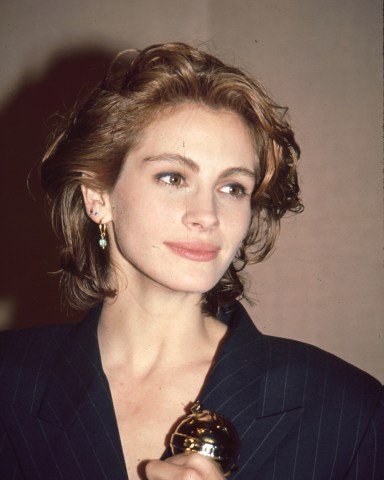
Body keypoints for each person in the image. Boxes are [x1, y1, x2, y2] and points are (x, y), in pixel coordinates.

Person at [0, 42, 382, 480]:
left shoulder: (346, 412)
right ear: (98, 196)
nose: (207, 215)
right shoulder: (8, 383)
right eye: (173, 177)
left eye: (233, 187)